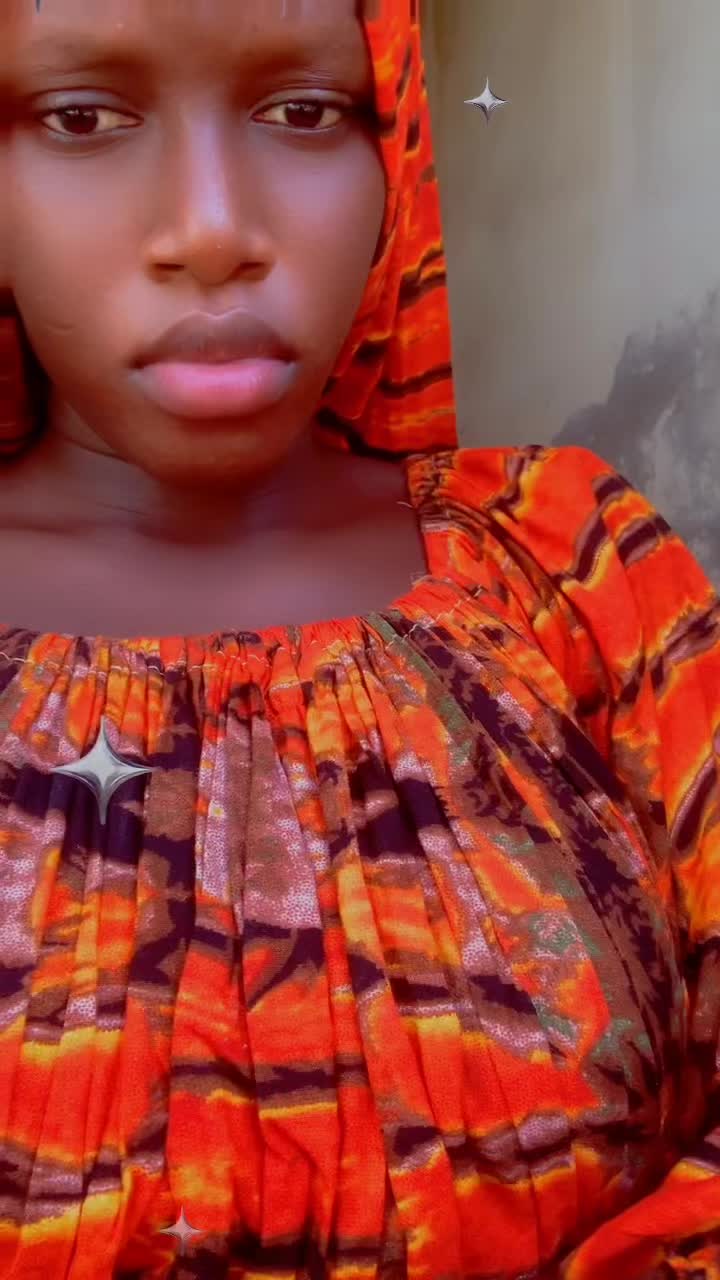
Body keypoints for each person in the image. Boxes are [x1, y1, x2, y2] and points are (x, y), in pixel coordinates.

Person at [0, 1, 718, 1276]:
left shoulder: (572, 564)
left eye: (304, 110)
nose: (214, 230)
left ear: (397, 151)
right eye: (83, 116)